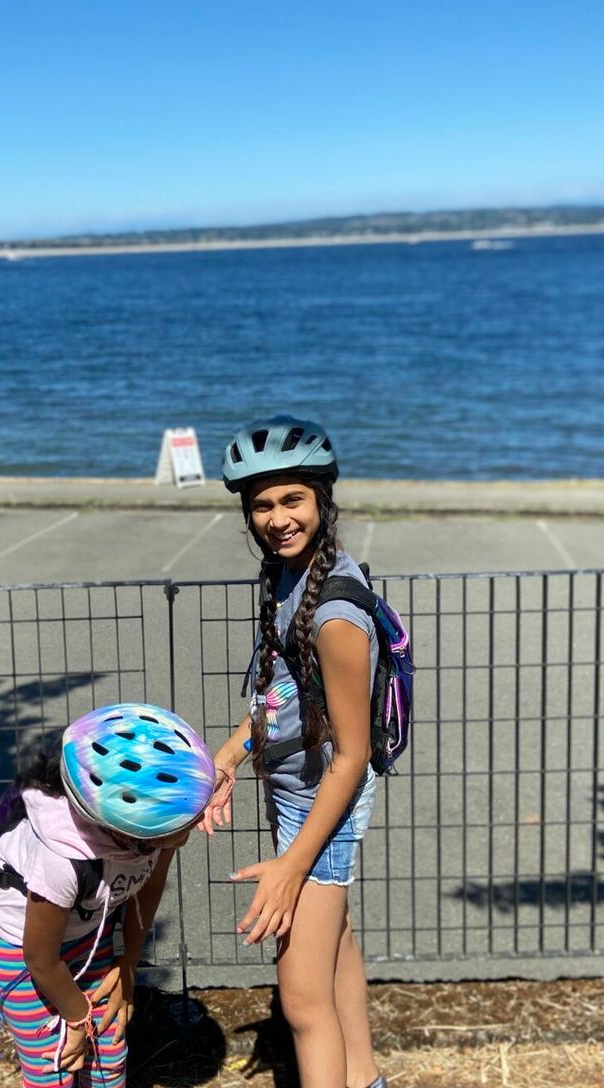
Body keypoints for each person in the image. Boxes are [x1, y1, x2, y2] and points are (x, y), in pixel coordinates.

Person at [199, 415, 384, 1088]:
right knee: (335, 949)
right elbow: (280, 697)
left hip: (321, 813)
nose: (277, 519)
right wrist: (226, 757)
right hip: (301, 801)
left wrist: (290, 867)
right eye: (262, 505)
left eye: (293, 500)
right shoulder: (290, 576)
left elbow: (352, 756)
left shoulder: (335, 617)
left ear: (322, 500)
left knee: (304, 1005)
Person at [0, 703, 214, 1087]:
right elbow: (40, 958)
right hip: (21, 948)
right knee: (55, 1066)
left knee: (109, 1053)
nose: (198, 822)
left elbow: (148, 890)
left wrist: (128, 964)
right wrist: (77, 1017)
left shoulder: (156, 833)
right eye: (186, 821)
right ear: (127, 833)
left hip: (84, 931)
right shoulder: (62, 859)